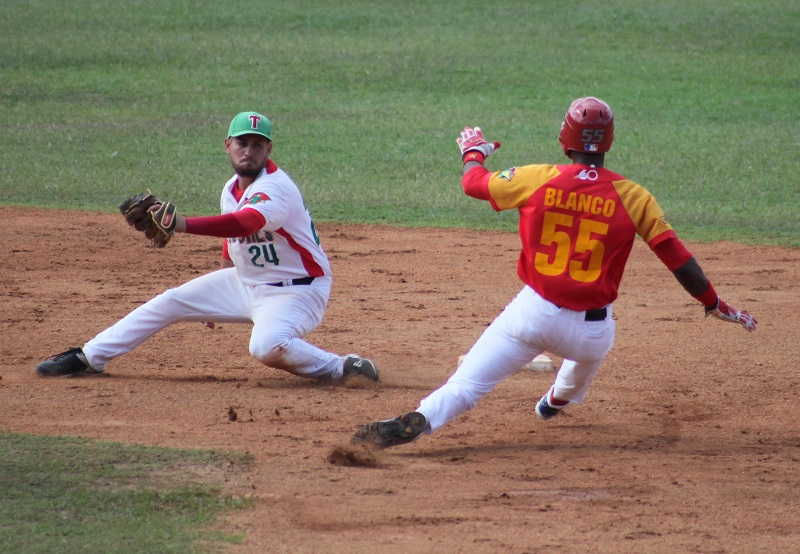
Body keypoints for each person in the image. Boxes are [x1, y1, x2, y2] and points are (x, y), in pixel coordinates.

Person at [353, 97, 755, 448]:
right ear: (609, 140)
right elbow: (679, 260)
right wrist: (714, 303)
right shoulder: (635, 196)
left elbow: (474, 185)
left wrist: (473, 153)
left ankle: (423, 417)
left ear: (566, 137)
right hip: (591, 333)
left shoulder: (536, 179)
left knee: (466, 386)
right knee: (586, 360)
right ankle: (555, 402)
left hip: (532, 315)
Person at [37, 111, 379, 384]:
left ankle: (341, 368)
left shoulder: (276, 188)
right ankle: (88, 357)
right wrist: (214, 301)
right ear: (228, 145)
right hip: (246, 284)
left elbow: (245, 224)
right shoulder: (230, 188)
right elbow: (235, 245)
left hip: (297, 291)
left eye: (258, 145)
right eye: (242, 143)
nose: (249, 150)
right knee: (171, 301)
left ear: (268, 150)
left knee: (265, 347)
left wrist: (182, 224)